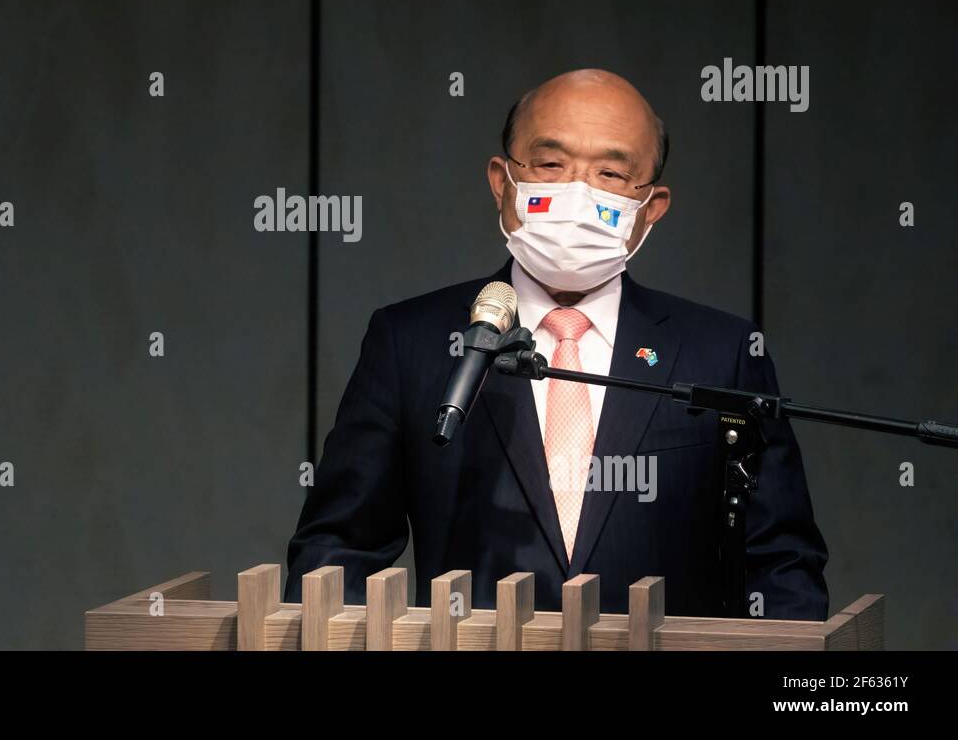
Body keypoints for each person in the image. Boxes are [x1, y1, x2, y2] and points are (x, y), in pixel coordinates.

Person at [285, 68, 829, 620]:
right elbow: (337, 553)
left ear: (652, 207)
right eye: (550, 163)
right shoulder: (412, 341)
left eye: (612, 173)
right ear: (502, 181)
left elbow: (781, 563)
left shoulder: (723, 351)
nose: (577, 191)